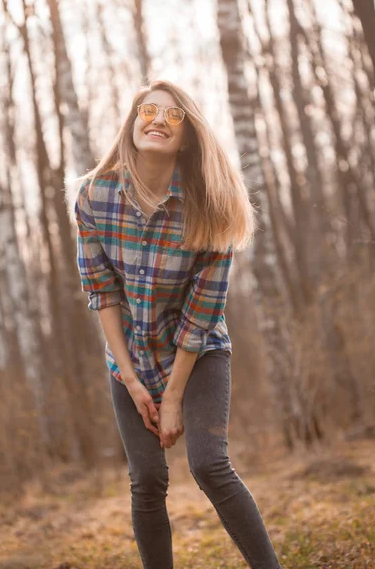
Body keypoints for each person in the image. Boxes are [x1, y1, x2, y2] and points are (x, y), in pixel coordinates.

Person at [73, 79, 282, 569]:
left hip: (199, 350)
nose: (157, 120)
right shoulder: (94, 197)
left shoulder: (212, 205)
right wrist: (131, 379)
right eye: (147, 110)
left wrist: (172, 398)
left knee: (210, 464)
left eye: (173, 115)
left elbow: (203, 313)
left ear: (187, 135)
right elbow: (101, 292)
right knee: (146, 479)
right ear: (132, 123)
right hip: (129, 354)